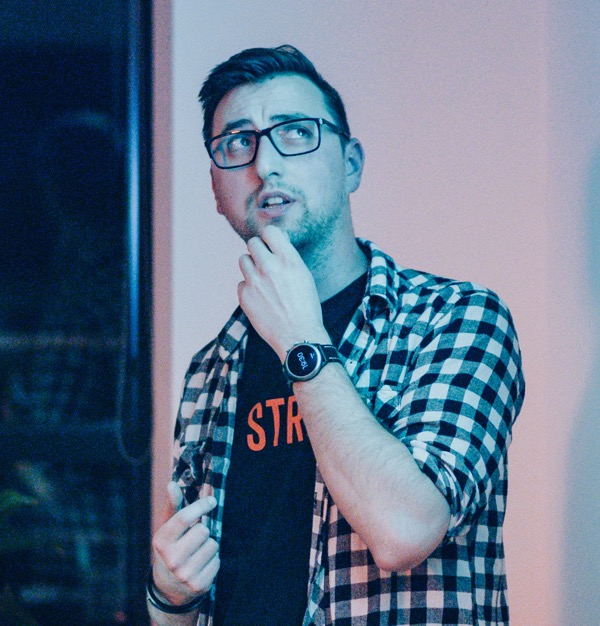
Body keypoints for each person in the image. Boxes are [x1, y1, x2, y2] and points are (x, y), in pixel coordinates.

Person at [147, 45, 525, 626]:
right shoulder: (211, 369)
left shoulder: (458, 320)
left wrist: (301, 339)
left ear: (350, 164)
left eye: (296, 132)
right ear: (216, 188)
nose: (264, 164)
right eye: (238, 142)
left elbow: (405, 530)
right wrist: (170, 598)